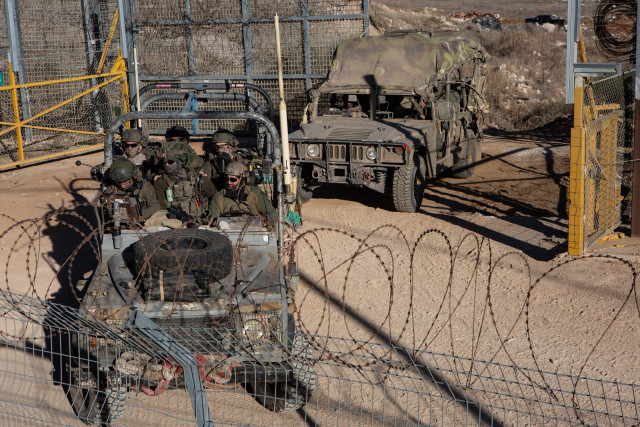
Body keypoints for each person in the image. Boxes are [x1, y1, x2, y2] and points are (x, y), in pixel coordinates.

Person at [153, 147, 217, 219]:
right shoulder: (161, 181)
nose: (167, 165)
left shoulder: (196, 177)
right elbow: (161, 205)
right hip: (174, 220)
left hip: (198, 217)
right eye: (165, 163)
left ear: (179, 162)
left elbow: (214, 196)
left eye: (170, 162)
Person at [208, 162, 277, 225]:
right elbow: (212, 220)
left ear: (242, 179)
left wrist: (263, 220)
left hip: (254, 232)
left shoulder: (254, 194)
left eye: (233, 180)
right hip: (227, 234)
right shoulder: (218, 197)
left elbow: (273, 215)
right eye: (227, 179)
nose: (229, 182)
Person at [103, 157, 161, 221]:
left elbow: (156, 206)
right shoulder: (111, 189)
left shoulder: (144, 186)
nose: (122, 186)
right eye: (119, 182)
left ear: (132, 176)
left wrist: (141, 215)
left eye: (125, 181)